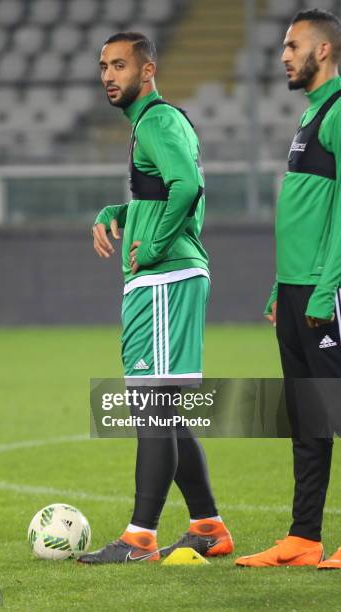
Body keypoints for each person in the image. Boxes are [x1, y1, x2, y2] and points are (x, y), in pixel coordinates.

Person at [78, 32, 233, 564]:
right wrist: (114, 214)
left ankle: (139, 537)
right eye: (103, 66)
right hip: (163, 279)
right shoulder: (150, 125)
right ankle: (208, 526)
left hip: (165, 279)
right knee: (164, 411)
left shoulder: (159, 120)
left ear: (148, 71)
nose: (108, 76)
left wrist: (153, 248)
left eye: (119, 65)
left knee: (150, 408)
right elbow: (163, 194)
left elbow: (187, 187)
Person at [236, 9, 341, 569]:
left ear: (322, 51)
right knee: (308, 417)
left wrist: (326, 289)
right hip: (300, 290)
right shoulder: (312, 116)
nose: (283, 55)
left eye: (292, 45)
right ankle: (304, 538)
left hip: (328, 292)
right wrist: (283, 285)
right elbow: (306, 212)